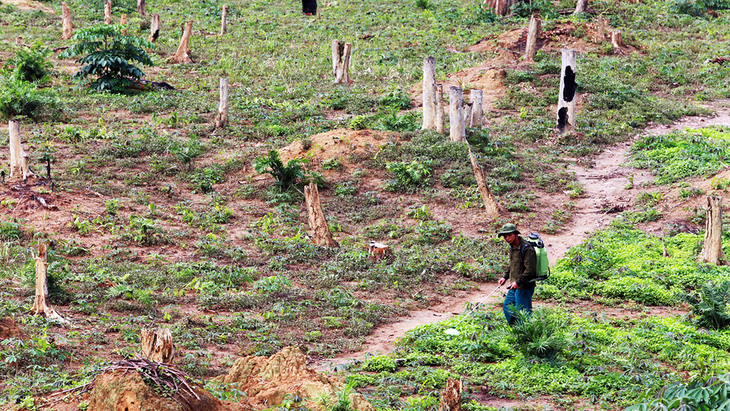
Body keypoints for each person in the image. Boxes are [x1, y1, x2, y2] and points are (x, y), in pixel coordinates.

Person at [497, 223, 537, 325]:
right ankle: (515, 330)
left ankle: (526, 334)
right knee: (507, 306)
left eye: (509, 235)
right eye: (505, 236)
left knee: (523, 313)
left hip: (524, 287)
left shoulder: (527, 248)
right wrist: (505, 277)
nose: (507, 238)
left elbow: (530, 270)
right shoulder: (513, 247)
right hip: (514, 286)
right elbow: (513, 265)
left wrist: (518, 282)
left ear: (516, 234)